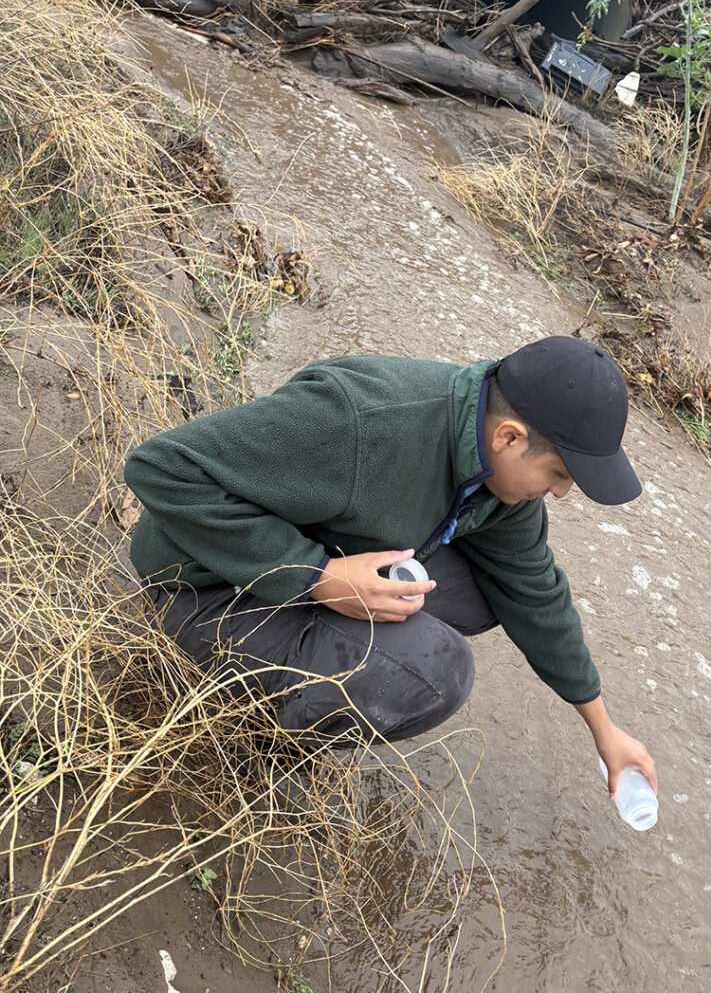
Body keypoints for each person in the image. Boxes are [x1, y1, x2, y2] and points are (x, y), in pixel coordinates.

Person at [124, 335, 657, 800]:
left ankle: (314, 662)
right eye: (559, 473)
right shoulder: (360, 418)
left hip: (305, 558)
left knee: (487, 592)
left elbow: (534, 589)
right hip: (201, 585)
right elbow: (163, 467)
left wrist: (603, 727)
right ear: (510, 437)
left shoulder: (496, 479)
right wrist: (317, 577)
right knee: (439, 669)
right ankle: (257, 743)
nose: (561, 493)